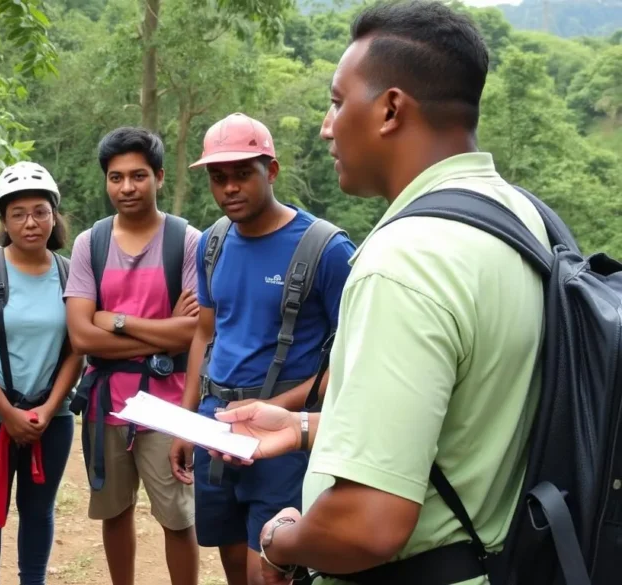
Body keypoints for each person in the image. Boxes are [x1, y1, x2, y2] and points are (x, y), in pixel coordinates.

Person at [216, 2, 551, 584]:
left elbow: (367, 524)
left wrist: (278, 540)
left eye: (338, 101)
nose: (326, 125)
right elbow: (459, 423)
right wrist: (300, 427)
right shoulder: (521, 219)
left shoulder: (403, 262)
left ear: (391, 108)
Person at [173, 113, 355, 585]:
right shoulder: (212, 242)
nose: (229, 188)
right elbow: (204, 335)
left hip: (281, 440)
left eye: (242, 175)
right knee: (233, 560)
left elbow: (349, 358)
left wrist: (275, 411)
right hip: (217, 427)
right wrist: (187, 421)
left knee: (271, 571)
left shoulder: (325, 249)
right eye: (218, 178)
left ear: (270, 172)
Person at [64, 127, 202, 585]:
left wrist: (115, 320)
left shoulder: (187, 241)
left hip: (171, 402)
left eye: (138, 176)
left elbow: (197, 331)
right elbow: (82, 336)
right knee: (114, 511)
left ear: (159, 177)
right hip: (108, 402)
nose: (126, 187)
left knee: (178, 518)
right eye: (116, 177)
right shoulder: (91, 243)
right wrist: (166, 335)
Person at [0, 161, 85, 585]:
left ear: (55, 216)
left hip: (51, 418)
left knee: (38, 511)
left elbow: (77, 348)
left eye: (40, 211)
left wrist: (49, 409)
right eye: (18, 213)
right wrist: (8, 413)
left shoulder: (71, 274)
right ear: (3, 220)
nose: (31, 222)